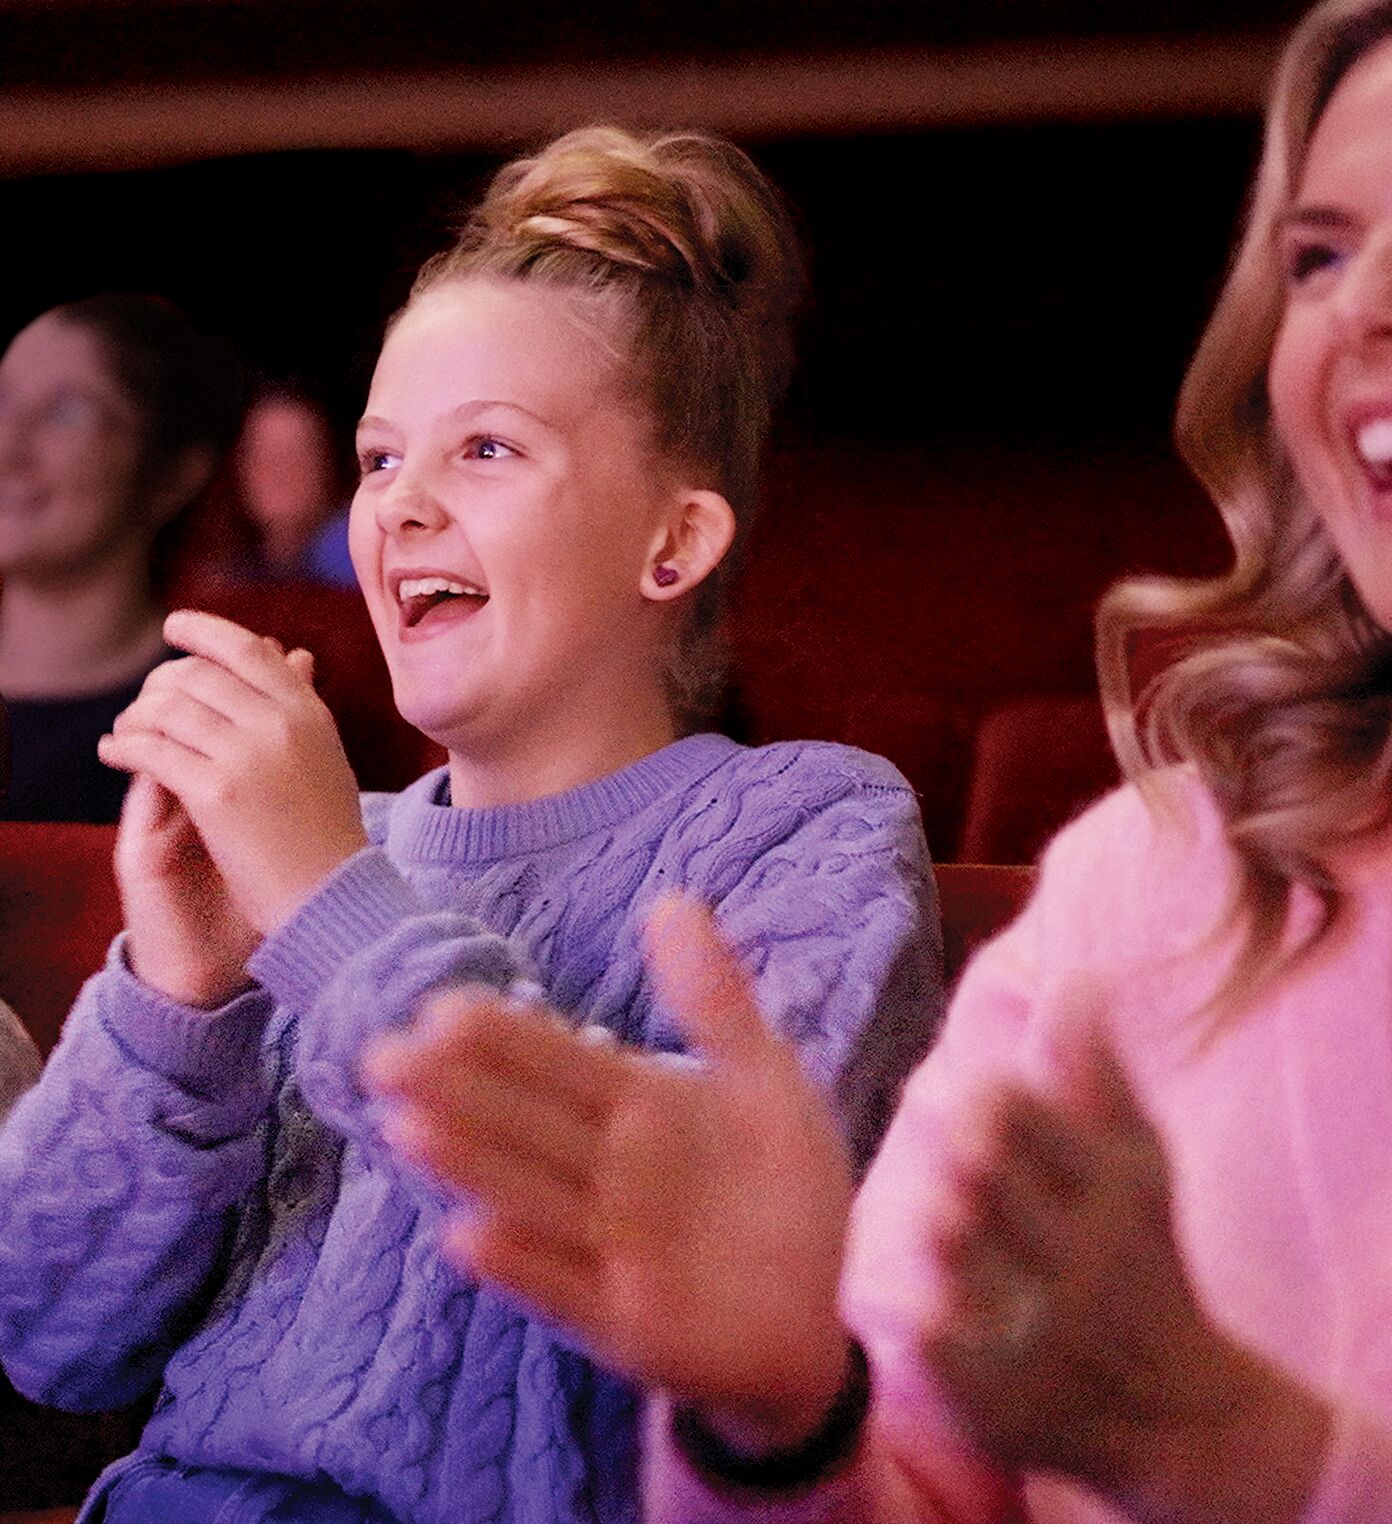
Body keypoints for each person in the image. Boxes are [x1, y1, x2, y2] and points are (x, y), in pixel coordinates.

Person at [365, 3, 1392, 1520]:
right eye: (1315, 255)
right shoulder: (1150, 886)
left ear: (680, 543)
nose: (1363, 304)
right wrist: (784, 1417)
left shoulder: (804, 827)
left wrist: (1225, 1448)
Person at [0, 127, 942, 1524]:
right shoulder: (331, 848)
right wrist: (181, 1003)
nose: (402, 506)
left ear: (672, 543)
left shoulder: (808, 825)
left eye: (486, 449)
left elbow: (704, 1278)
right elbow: (51, 1341)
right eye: (379, 460)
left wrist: (327, 900)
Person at [0, 294, 244, 823]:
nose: (7, 448)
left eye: (67, 412)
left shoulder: (213, 729)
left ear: (173, 475)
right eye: (1, 401)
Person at [226, 380, 358, 587]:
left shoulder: (357, 562)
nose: (277, 472)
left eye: (294, 455)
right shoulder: (229, 577)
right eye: (261, 454)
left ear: (328, 465)